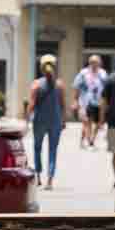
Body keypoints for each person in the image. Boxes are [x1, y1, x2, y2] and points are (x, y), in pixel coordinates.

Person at [24, 54, 69, 189]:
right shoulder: (60, 85)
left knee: (37, 148)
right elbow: (62, 105)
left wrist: (26, 120)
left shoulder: (36, 84)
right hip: (55, 121)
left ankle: (38, 177)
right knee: (52, 150)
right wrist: (64, 120)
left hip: (39, 121)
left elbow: (31, 104)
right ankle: (50, 180)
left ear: (41, 68)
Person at [73, 54, 107, 149]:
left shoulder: (103, 73)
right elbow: (76, 87)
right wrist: (75, 101)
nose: (94, 64)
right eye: (92, 62)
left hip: (99, 102)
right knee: (87, 122)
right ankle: (90, 142)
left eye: (96, 62)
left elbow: (106, 88)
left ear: (100, 63)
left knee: (98, 123)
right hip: (86, 102)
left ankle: (89, 139)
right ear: (89, 62)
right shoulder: (83, 73)